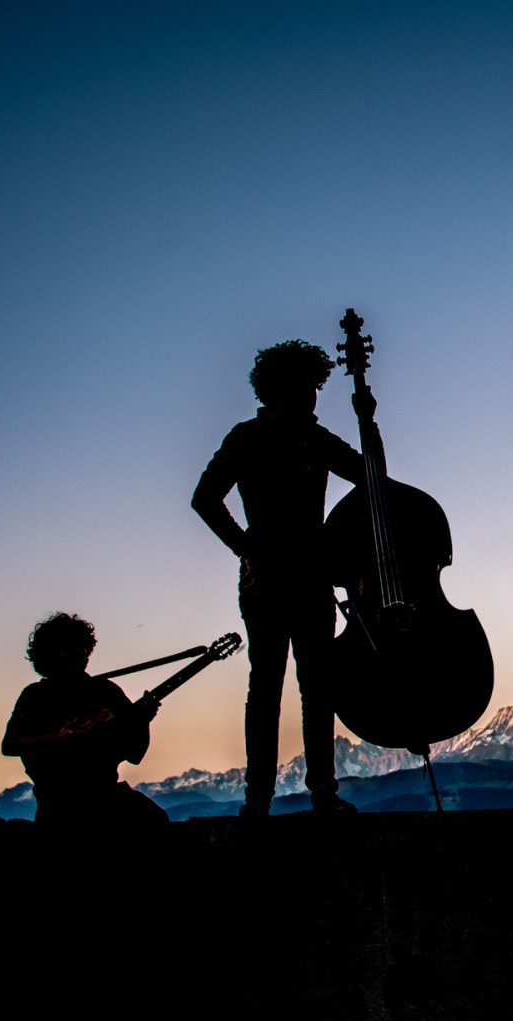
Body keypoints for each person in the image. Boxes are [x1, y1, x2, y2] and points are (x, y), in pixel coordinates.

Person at [192, 340, 374, 816]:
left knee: (308, 687)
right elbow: (204, 498)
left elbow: (371, 473)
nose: (310, 398)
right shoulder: (246, 437)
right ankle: (264, 799)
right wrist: (246, 549)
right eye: (301, 388)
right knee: (275, 686)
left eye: (313, 388)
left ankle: (316, 796)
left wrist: (366, 417)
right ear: (273, 390)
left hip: (307, 577)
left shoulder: (315, 437)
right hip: (270, 581)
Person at [2, 612, 169, 828]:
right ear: (48, 655)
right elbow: (10, 745)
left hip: (108, 799)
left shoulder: (107, 691)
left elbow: (134, 755)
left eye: (81, 647)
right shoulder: (35, 696)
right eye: (66, 647)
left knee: (154, 819)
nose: (77, 652)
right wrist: (57, 737)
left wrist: (142, 721)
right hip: (58, 807)